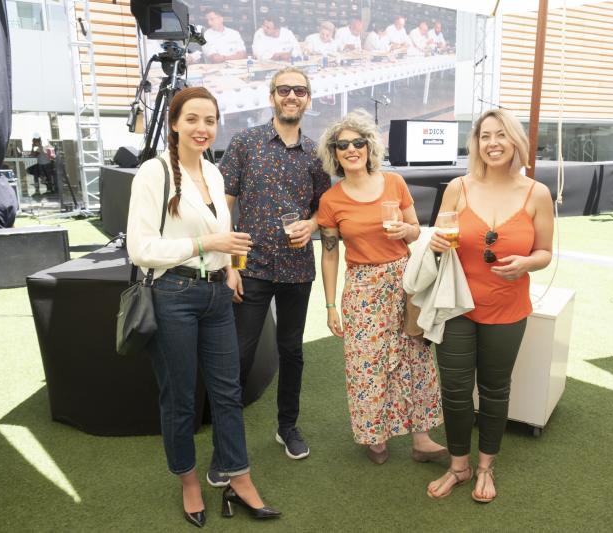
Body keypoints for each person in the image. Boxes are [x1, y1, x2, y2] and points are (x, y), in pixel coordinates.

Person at [126, 87, 280, 526]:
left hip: (215, 294)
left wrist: (230, 265)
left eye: (210, 120)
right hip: (172, 295)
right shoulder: (153, 173)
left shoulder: (214, 172)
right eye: (192, 119)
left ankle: (239, 475)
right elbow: (140, 248)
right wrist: (205, 244)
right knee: (179, 398)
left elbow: (223, 231)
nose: (202, 128)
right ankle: (189, 482)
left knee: (228, 391)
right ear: (174, 123)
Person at [425, 108, 553, 503]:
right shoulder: (458, 188)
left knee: (495, 390)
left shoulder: (537, 193)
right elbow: (439, 238)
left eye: (501, 135)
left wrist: (529, 263)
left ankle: (485, 467)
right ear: (476, 144)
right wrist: (434, 242)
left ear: (515, 141)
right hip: (457, 306)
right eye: (485, 136)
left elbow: (545, 252)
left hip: (507, 308)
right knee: (456, 391)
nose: (493, 143)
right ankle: (459, 467)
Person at [316, 110, 447, 465]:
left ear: (369, 146)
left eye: (358, 142)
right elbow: (330, 256)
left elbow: (416, 229)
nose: (352, 149)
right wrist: (330, 307)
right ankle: (374, 436)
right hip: (362, 287)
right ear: (335, 153)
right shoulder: (331, 200)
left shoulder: (394, 183)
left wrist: (407, 231)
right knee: (366, 364)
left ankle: (421, 439)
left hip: (403, 281)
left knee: (414, 355)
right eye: (343, 145)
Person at [219, 67, 330, 473]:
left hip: (298, 269)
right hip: (251, 266)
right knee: (239, 357)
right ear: (272, 97)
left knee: (292, 351)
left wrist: (312, 224)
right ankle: (225, 447)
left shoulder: (317, 154)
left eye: (299, 91)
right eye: (284, 90)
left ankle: (288, 426)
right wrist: (230, 265)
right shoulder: (245, 142)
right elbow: (223, 205)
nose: (291, 96)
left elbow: (325, 207)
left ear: (308, 99)